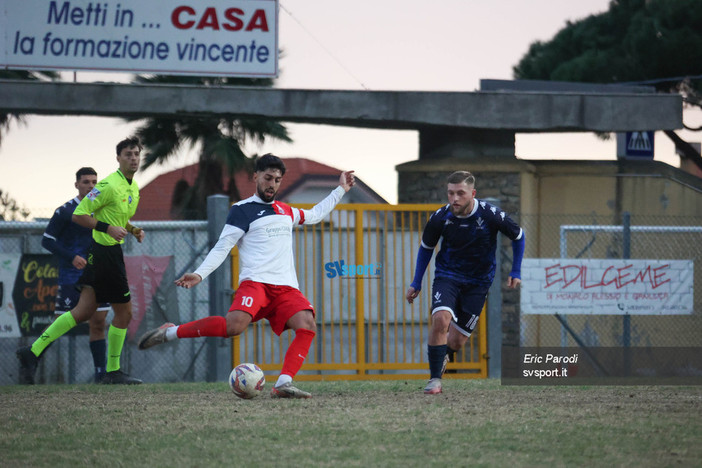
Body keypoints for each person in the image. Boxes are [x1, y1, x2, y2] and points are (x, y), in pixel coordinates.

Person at [138, 154, 355, 398]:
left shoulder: (286, 211)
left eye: (277, 180)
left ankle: (283, 384)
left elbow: (314, 214)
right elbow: (222, 247)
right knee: (233, 328)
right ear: (255, 177)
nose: (272, 184)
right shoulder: (242, 210)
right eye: (268, 178)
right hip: (256, 284)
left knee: (307, 325)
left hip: (286, 288)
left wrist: (341, 189)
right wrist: (199, 274)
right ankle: (170, 332)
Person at [17, 137, 146, 385]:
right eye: (128, 154)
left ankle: (31, 352)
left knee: (84, 311)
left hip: (103, 254)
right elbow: (79, 215)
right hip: (104, 253)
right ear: (118, 158)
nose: (133, 158)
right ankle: (112, 370)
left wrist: (132, 229)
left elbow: (115, 217)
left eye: (137, 154)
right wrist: (107, 228)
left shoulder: (133, 187)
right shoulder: (109, 184)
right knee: (124, 313)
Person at [406, 171, 525, 395]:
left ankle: (442, 356)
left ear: (473, 193)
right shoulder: (440, 217)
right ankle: (434, 380)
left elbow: (518, 236)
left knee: (458, 341)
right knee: (440, 320)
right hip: (447, 276)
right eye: (450, 193)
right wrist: (416, 282)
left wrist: (516, 270)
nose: (454, 199)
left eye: (460, 193)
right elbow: (426, 248)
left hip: (479, 283)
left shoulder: (490, 214)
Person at [40, 167, 111, 383]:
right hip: (73, 276)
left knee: (98, 324)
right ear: (77, 185)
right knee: (59, 323)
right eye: (86, 182)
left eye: (94, 182)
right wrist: (71, 257)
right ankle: (32, 356)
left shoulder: (102, 210)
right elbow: (47, 240)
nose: (90, 186)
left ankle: (101, 374)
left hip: (99, 275)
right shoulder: (65, 211)